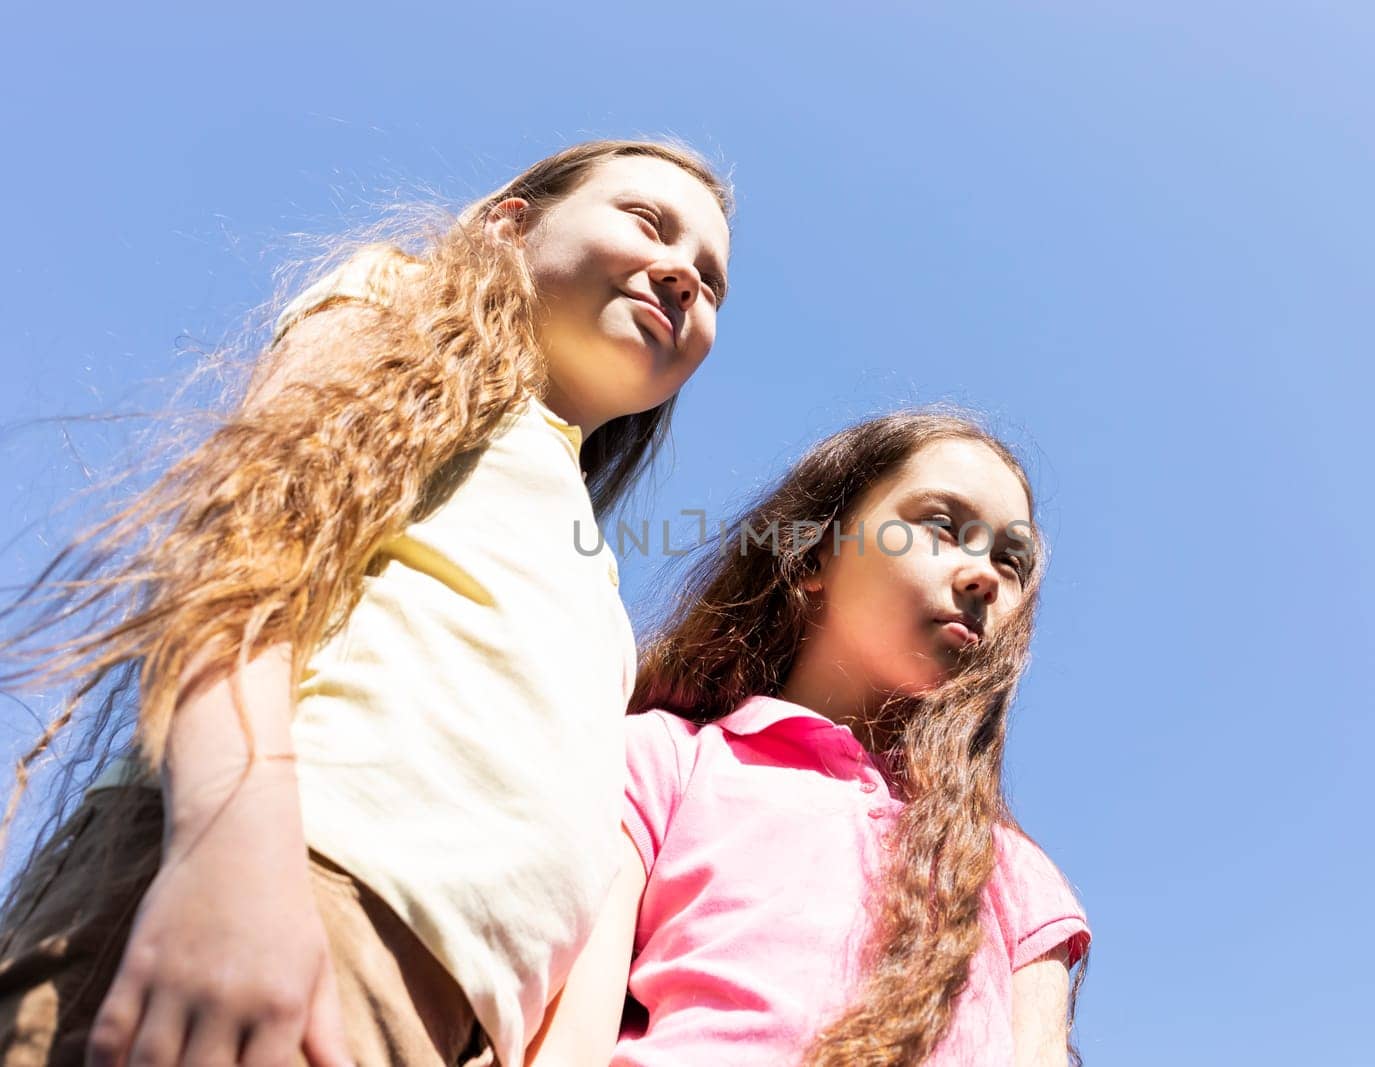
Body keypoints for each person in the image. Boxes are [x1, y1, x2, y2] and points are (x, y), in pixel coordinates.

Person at [0, 139, 733, 1067]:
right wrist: (232, 852)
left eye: (711, 282)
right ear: (509, 223)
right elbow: (244, 551)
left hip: (436, 1012)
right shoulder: (406, 313)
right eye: (647, 222)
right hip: (287, 883)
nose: (683, 277)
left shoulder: (596, 586)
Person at [526, 411, 1091, 1067]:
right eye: (942, 525)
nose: (985, 575)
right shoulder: (660, 761)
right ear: (815, 551)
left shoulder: (1015, 874)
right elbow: (568, 1043)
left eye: (1010, 561)